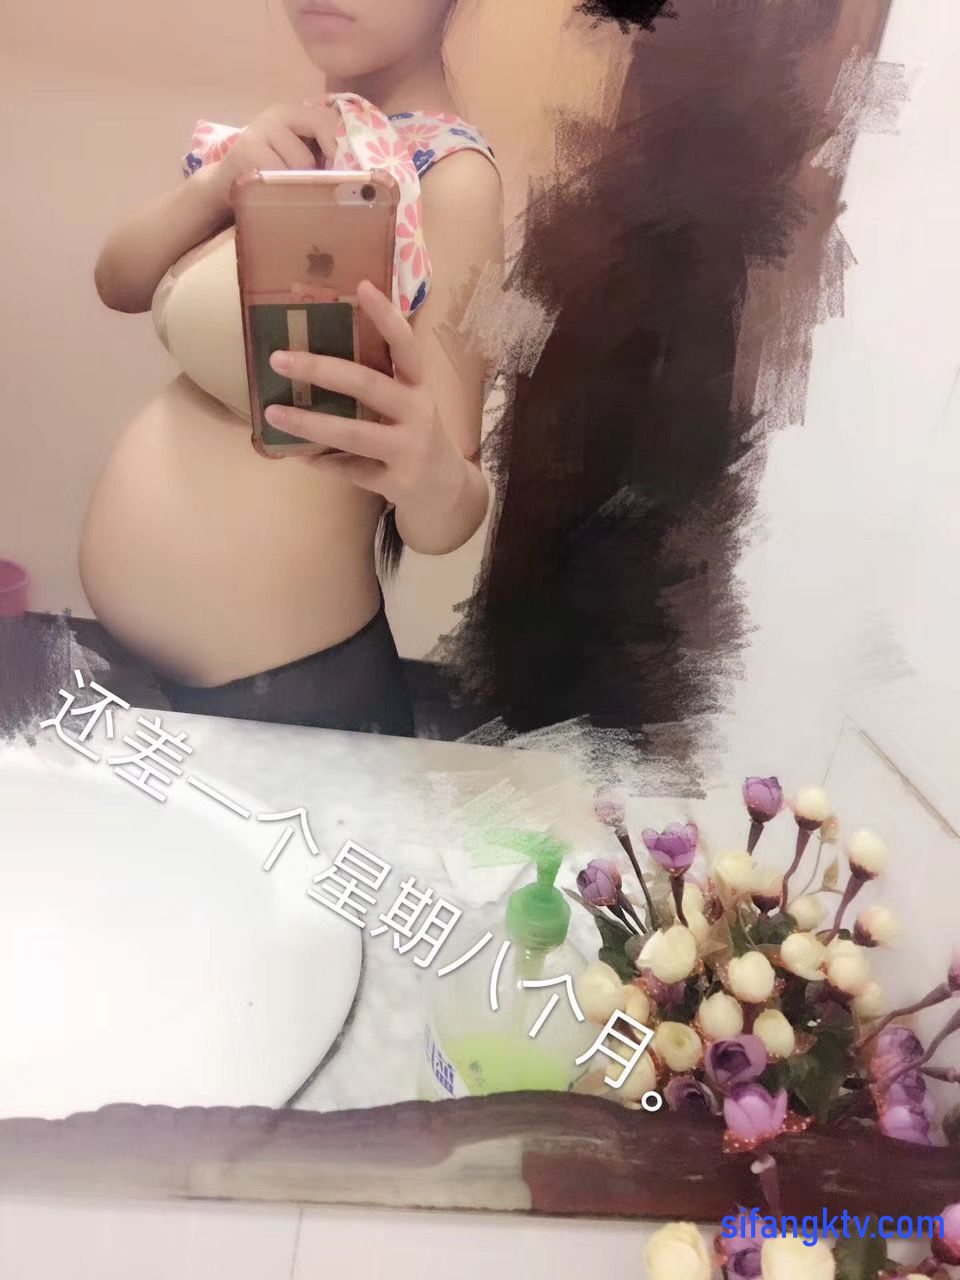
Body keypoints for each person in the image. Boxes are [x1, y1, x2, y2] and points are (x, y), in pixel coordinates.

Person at [81, 0, 503, 736]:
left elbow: (446, 518)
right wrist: (218, 184)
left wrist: (431, 469)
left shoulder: (452, 178)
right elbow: (117, 282)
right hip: (173, 695)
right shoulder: (293, 141)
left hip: (290, 704)